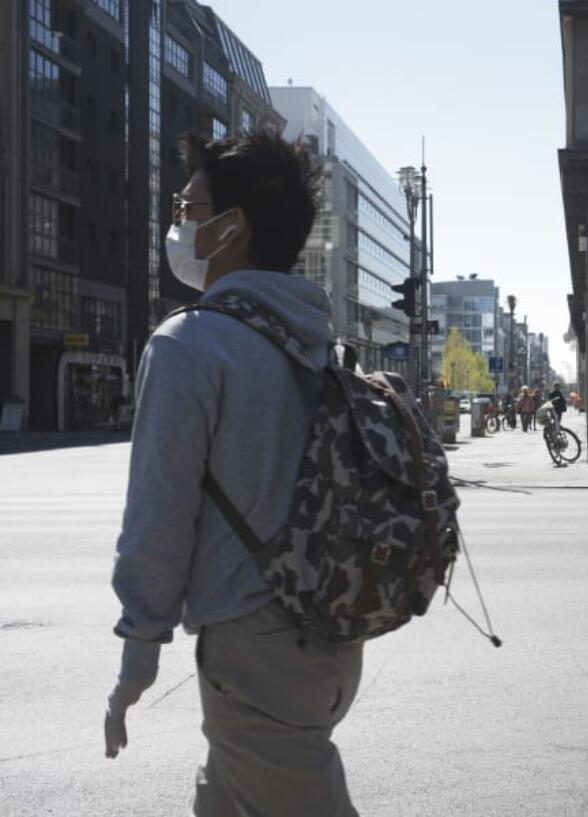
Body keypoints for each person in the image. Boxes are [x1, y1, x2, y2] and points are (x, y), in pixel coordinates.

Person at [104, 130, 364, 816]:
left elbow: (159, 515)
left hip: (256, 651)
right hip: (329, 634)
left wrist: (138, 650)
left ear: (231, 228)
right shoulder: (315, 340)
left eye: (189, 209)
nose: (178, 224)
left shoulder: (190, 344)